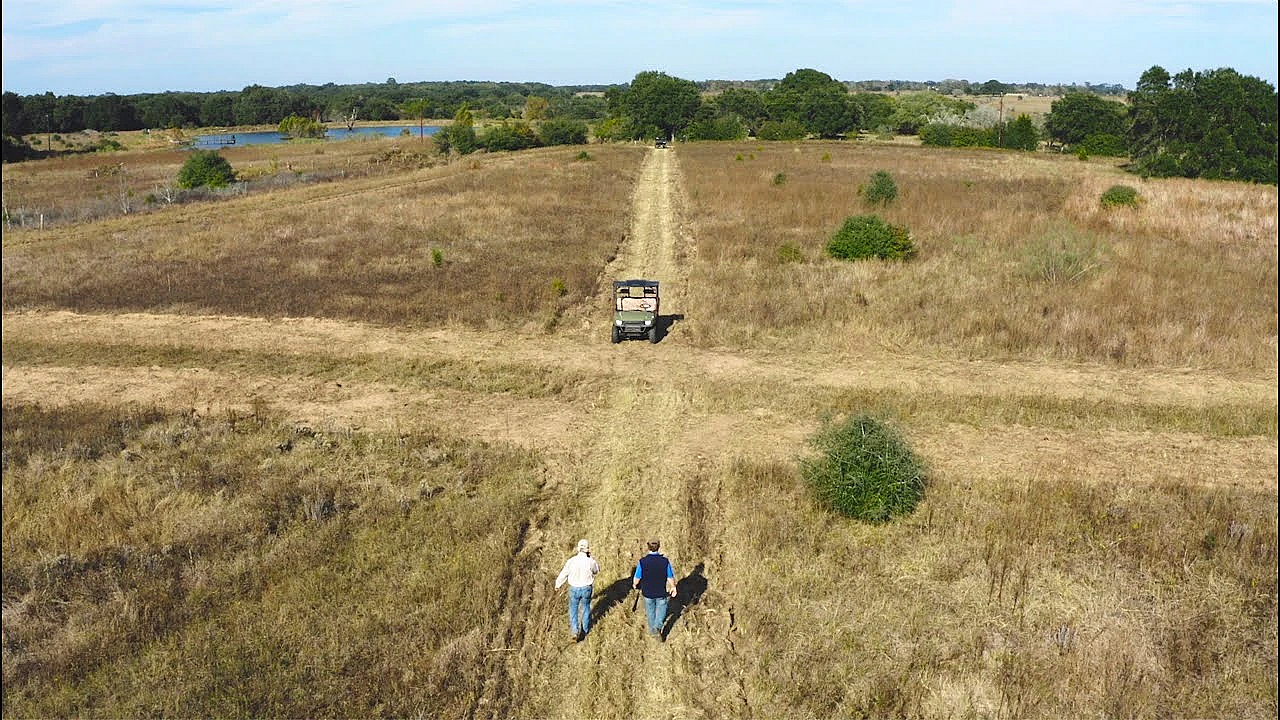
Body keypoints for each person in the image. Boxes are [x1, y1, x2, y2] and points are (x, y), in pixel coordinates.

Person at [555, 538, 600, 641]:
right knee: (586, 608)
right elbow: (596, 570)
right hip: (586, 588)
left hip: (574, 588)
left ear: (578, 549)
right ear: (587, 550)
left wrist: (558, 584)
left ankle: (575, 631)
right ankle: (585, 630)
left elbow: (564, 573)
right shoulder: (590, 561)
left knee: (573, 609)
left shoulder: (571, 561)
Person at [632, 537, 676, 639]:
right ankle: (658, 627)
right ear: (659, 546)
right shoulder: (665, 561)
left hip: (647, 593)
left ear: (648, 547)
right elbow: (670, 576)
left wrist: (635, 585)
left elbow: (637, 578)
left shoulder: (642, 562)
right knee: (662, 609)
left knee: (650, 612)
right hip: (661, 592)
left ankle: (653, 631)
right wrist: (673, 587)